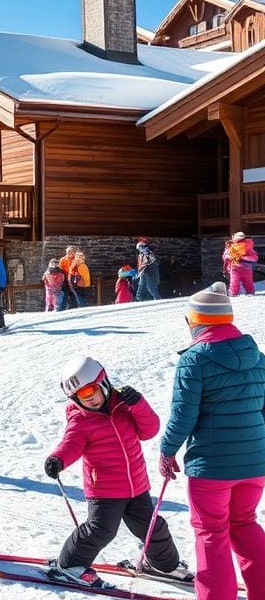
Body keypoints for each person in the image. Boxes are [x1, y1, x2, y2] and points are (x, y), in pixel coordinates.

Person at [44, 355, 190, 588]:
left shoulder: (124, 404)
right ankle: (69, 565)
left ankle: (163, 565)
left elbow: (149, 430)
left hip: (137, 486)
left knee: (153, 527)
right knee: (100, 530)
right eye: (81, 396)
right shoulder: (81, 420)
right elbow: (70, 443)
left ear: (103, 381)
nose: (89, 399)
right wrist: (57, 459)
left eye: (91, 390)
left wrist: (139, 404)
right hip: (105, 490)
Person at [159, 282, 265, 600]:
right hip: (255, 462)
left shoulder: (194, 360)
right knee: (244, 523)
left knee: (211, 533)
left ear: (199, 321)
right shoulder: (257, 357)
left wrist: (166, 451)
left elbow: (183, 416)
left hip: (212, 467)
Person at [223, 231, 258, 297]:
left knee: (248, 282)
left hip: (246, 268)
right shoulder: (231, 247)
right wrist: (228, 257)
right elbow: (225, 255)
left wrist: (242, 258)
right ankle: (233, 294)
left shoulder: (247, 247)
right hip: (234, 268)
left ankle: (250, 292)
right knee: (234, 281)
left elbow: (254, 257)